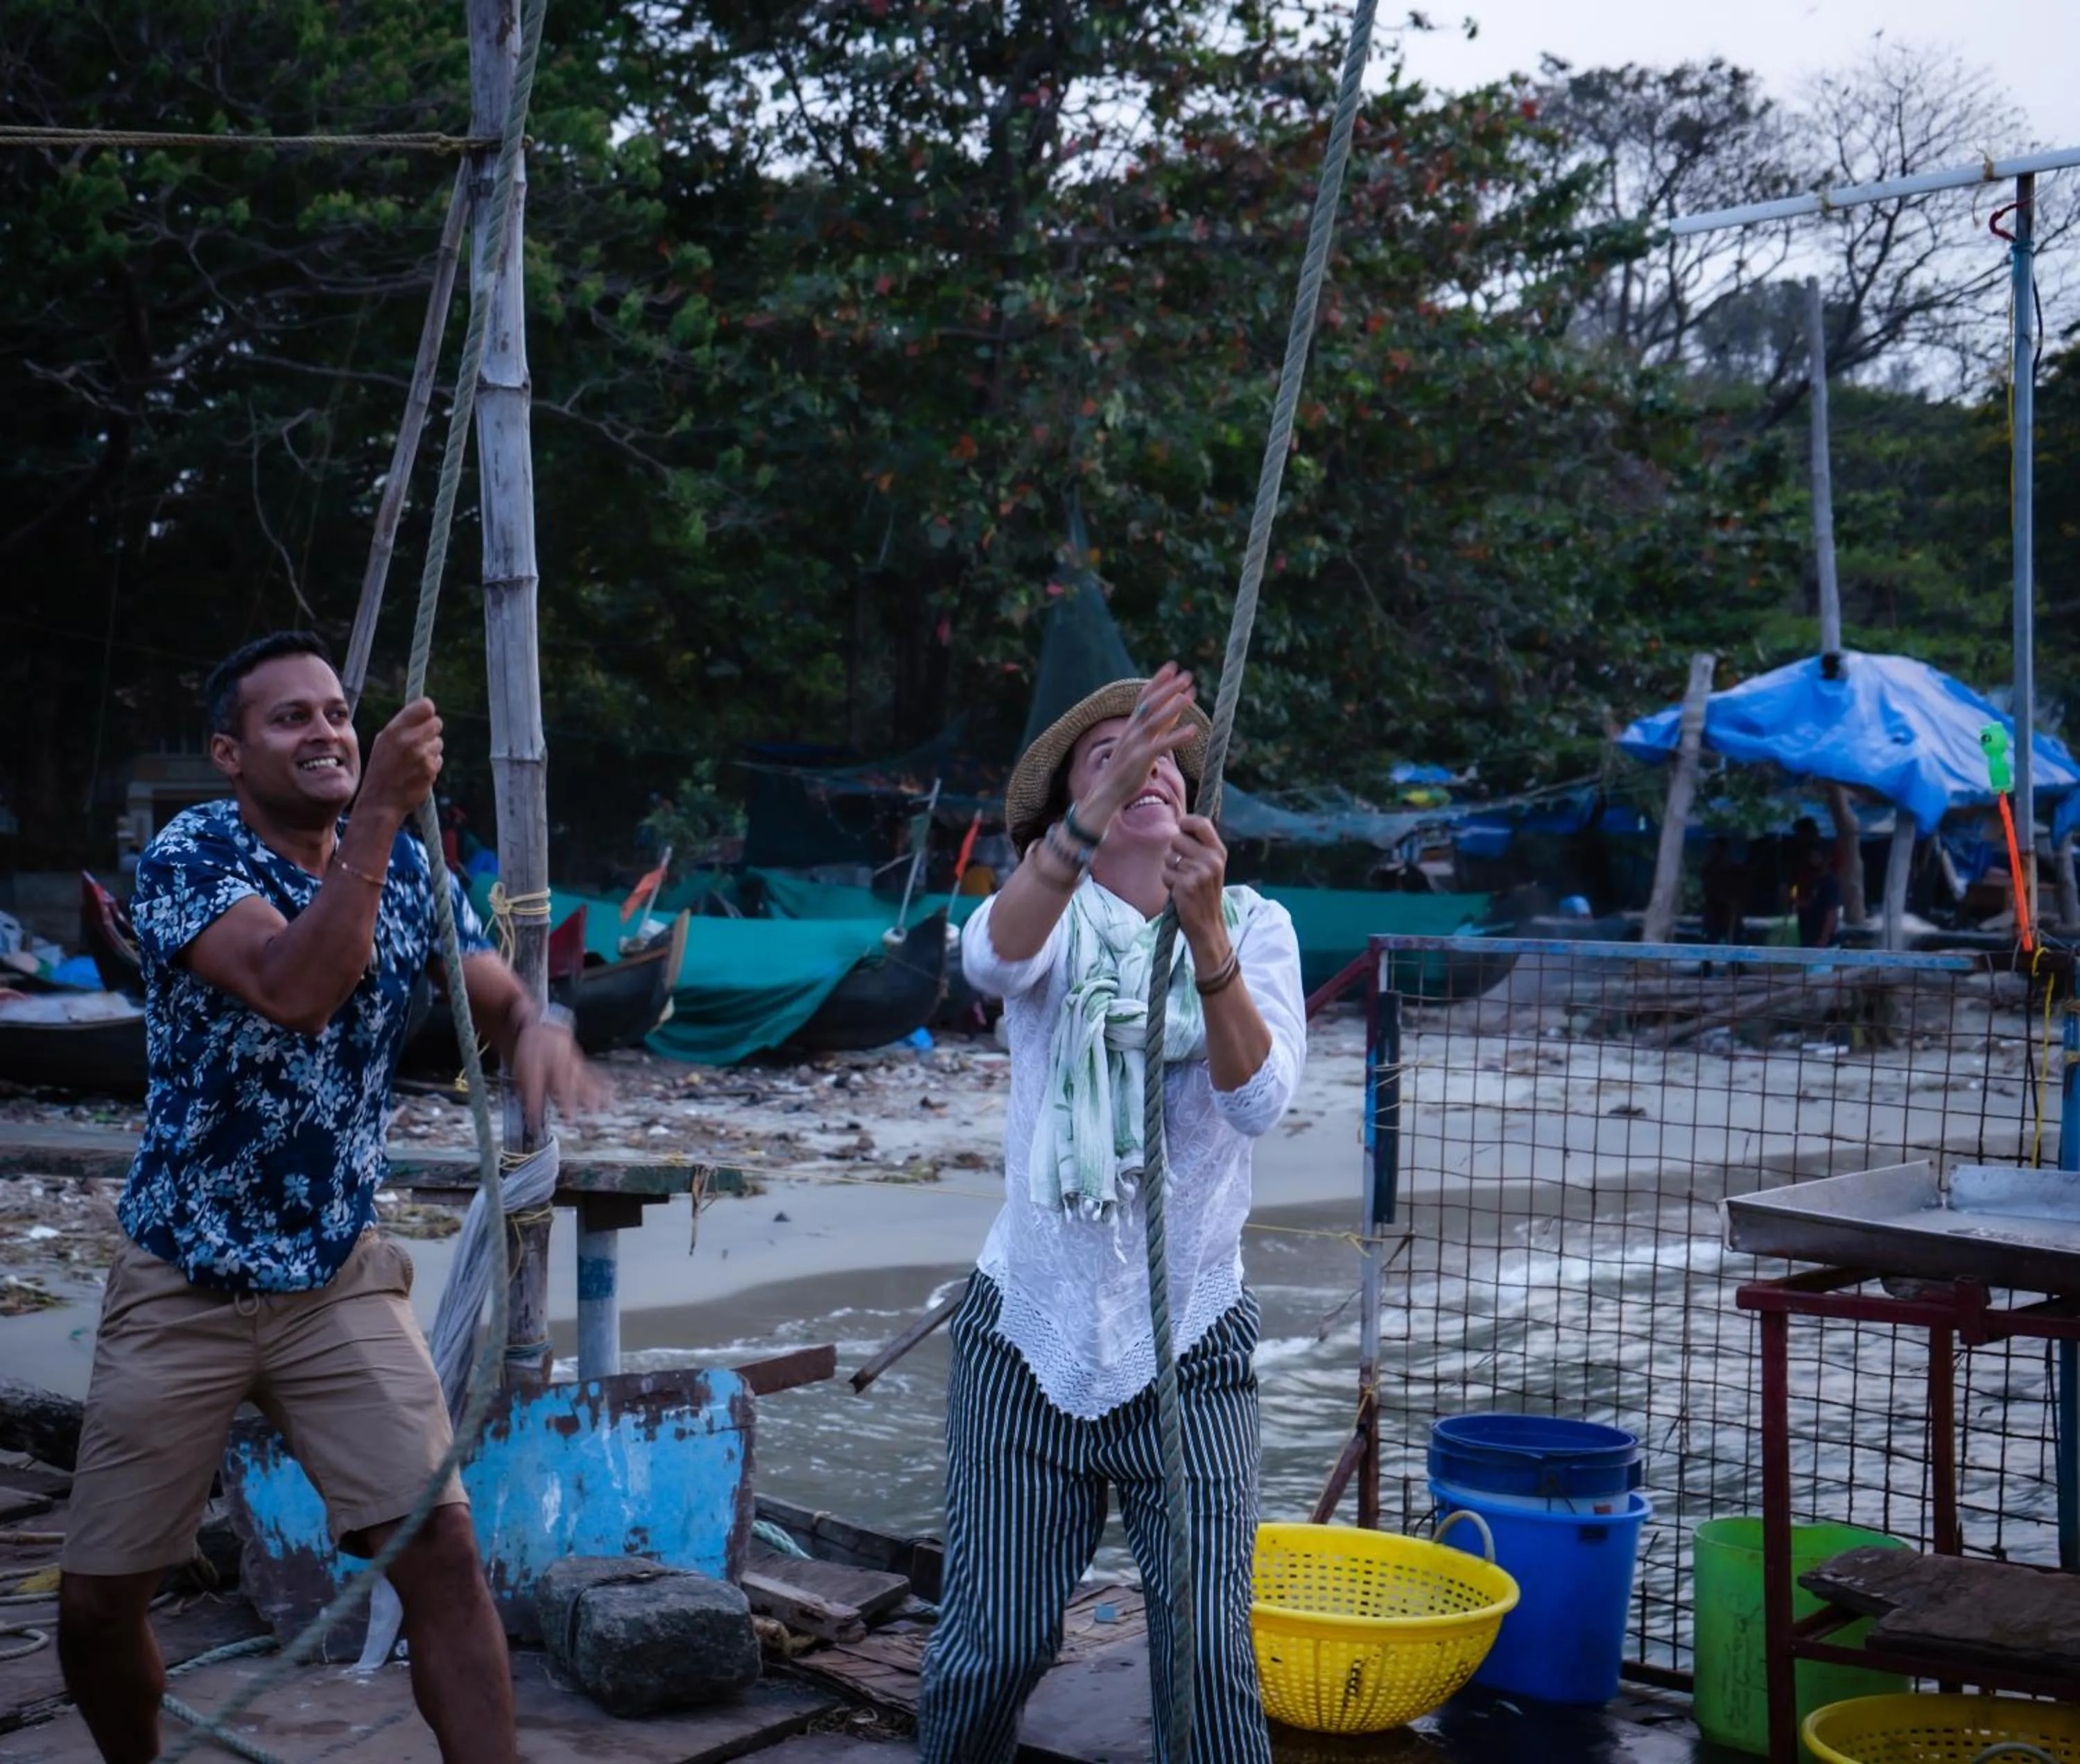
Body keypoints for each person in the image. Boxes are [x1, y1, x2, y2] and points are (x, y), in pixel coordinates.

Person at [58, 632, 603, 1764]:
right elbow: (294, 986)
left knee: (445, 1560)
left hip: (336, 1276)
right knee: (102, 1603)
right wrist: (378, 820)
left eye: (335, 713)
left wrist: (540, 1029)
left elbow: (494, 991)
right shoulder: (193, 855)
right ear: (229, 751)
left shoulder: (407, 868)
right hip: (184, 1281)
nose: (326, 732)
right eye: (288, 718)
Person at [918, 665, 1307, 1764]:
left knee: (1207, 1656)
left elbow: (1259, 1099)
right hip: (1024, 1334)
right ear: (1071, 811)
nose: (1149, 767)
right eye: (1113, 756)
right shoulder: (1051, 915)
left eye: (1164, 760)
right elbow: (987, 956)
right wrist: (1089, 818)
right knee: (991, 1644)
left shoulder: (1253, 925)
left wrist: (1207, 940)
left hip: (1192, 1340)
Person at [1786, 816, 1842, 949]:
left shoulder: (1829, 882)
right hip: (1808, 930)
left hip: (1823, 939)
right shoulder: (1809, 874)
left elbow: (1831, 912)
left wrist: (1824, 939)